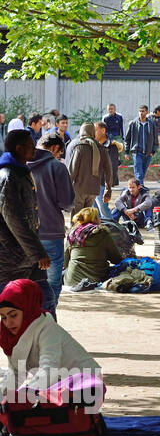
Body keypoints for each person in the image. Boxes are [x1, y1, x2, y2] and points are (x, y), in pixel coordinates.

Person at [0, 278, 100, 400]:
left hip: (86, 386)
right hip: (54, 386)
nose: (8, 323)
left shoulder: (47, 329)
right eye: (3, 317)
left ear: (28, 309)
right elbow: (16, 373)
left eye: (13, 315)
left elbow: (49, 371)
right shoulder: (10, 335)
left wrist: (23, 397)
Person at [0, 130, 53, 312]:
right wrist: (38, 252)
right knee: (13, 311)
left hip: (28, 260)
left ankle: (47, 340)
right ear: (19, 148)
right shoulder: (8, 177)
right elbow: (16, 222)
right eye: (31, 146)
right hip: (11, 261)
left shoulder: (21, 173)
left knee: (45, 304)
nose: (35, 149)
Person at [29, 133, 75, 311]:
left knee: (25, 284)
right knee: (52, 284)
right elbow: (67, 203)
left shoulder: (20, 166)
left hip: (23, 235)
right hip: (51, 232)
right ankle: (47, 322)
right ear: (55, 148)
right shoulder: (57, 167)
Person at [64, 207, 123, 290]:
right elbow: (116, 259)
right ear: (94, 219)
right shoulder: (102, 233)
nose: (100, 218)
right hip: (96, 280)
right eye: (98, 216)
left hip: (71, 280)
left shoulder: (72, 234)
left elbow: (65, 261)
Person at [68, 122, 110, 213]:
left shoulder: (79, 147)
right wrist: (108, 189)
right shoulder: (102, 149)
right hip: (93, 189)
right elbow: (109, 171)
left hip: (79, 188)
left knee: (77, 218)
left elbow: (72, 171)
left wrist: (67, 188)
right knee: (87, 217)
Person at [125, 105, 155, 184]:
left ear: (146, 112)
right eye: (140, 111)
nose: (141, 113)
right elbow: (127, 139)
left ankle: (139, 186)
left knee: (143, 172)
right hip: (137, 152)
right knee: (139, 173)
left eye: (143, 111)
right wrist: (126, 152)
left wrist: (153, 151)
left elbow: (155, 139)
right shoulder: (133, 123)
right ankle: (140, 189)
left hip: (148, 153)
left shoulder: (151, 124)